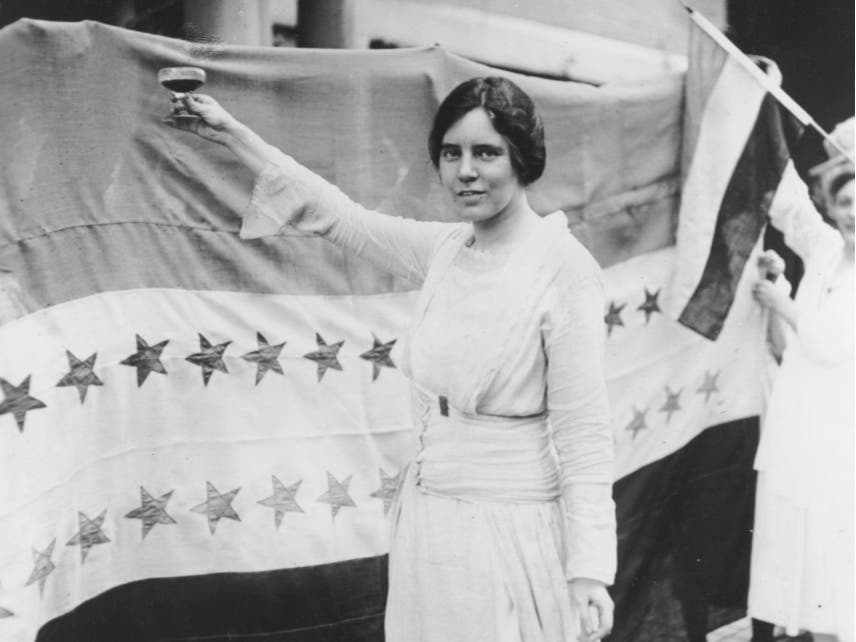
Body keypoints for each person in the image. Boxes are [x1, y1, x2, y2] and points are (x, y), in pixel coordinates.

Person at [164, 77, 616, 641]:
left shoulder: (564, 270)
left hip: (513, 531)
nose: (466, 171)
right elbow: (339, 216)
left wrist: (589, 569)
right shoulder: (448, 250)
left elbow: (585, 435)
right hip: (430, 525)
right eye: (451, 154)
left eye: (486, 153)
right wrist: (232, 134)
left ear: (522, 158)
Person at [749, 161, 855, 642]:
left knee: (834, 563)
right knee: (796, 554)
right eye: (847, 201)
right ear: (833, 208)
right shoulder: (828, 250)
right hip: (796, 429)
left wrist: (781, 303)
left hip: (838, 438)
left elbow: (833, 345)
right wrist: (762, 105)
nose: (855, 212)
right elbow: (791, 207)